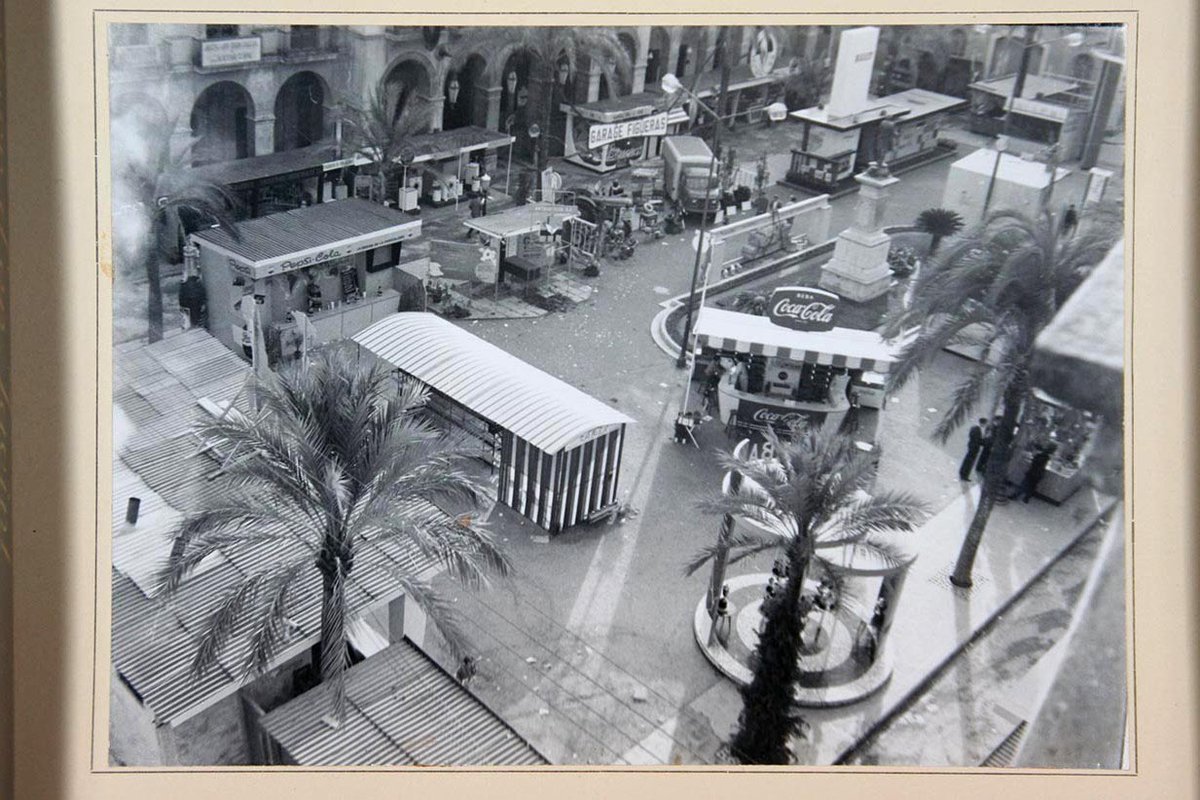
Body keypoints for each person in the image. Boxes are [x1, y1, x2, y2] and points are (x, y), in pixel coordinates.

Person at [975, 415, 1002, 480]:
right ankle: (980, 468)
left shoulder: (993, 427)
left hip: (989, 444)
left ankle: (981, 468)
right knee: (984, 456)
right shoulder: (993, 427)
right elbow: (989, 435)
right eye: (999, 421)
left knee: (986, 457)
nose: (999, 422)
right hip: (989, 444)